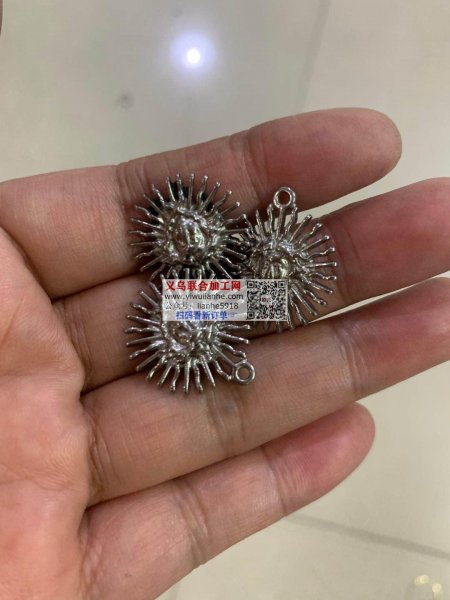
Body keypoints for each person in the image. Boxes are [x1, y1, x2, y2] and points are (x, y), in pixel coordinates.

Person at [1, 6, 450, 600]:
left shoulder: (229, 289)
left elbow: (221, 300)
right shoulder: (194, 293)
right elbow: (191, 305)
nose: (188, 238)